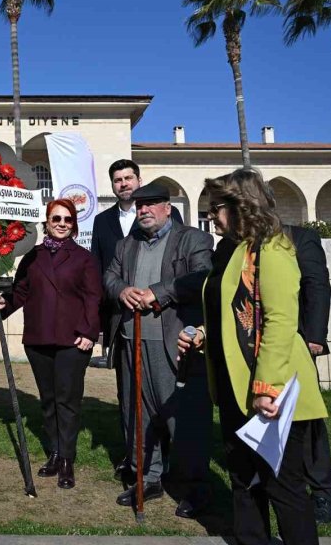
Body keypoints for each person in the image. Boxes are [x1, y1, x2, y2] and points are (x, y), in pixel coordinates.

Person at [178, 168, 328, 544]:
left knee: (283, 486)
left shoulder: (274, 248)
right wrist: (204, 335)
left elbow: (279, 321)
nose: (211, 216)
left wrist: (267, 387)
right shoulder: (235, 251)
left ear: (240, 206)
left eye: (217, 208)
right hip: (234, 385)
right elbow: (236, 313)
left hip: (269, 389)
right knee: (244, 480)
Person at [103, 182, 213, 518]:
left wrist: (158, 292)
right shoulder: (127, 244)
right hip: (132, 341)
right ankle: (146, 477)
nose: (143, 211)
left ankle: (193, 487)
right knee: (138, 413)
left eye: (151, 204)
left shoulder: (192, 239)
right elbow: (108, 277)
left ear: (168, 206)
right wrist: (122, 291)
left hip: (176, 344)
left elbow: (203, 277)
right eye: (139, 206)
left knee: (184, 418)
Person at [0, 199, 102, 489]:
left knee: (67, 400)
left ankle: (67, 459)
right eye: (56, 219)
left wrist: (89, 333)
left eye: (67, 219)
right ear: (47, 223)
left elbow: (93, 298)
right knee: (48, 400)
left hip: (72, 341)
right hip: (38, 339)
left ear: (74, 224)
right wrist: (5, 303)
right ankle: (54, 452)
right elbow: (22, 290)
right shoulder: (33, 256)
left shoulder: (84, 258)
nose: (62, 223)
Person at [90, 159, 183, 481]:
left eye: (129, 178)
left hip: (166, 326)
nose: (124, 184)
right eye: (118, 180)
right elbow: (103, 272)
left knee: (167, 400)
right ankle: (139, 464)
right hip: (124, 322)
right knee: (132, 402)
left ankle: (177, 466)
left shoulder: (175, 224)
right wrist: (117, 295)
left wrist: (158, 293)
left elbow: (186, 271)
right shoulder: (104, 223)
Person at [285, 223, 331, 523]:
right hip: (259, 344)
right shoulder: (242, 242)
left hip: (299, 341)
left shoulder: (298, 237)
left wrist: (315, 336)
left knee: (305, 419)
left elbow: (317, 284)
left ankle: (323, 489)